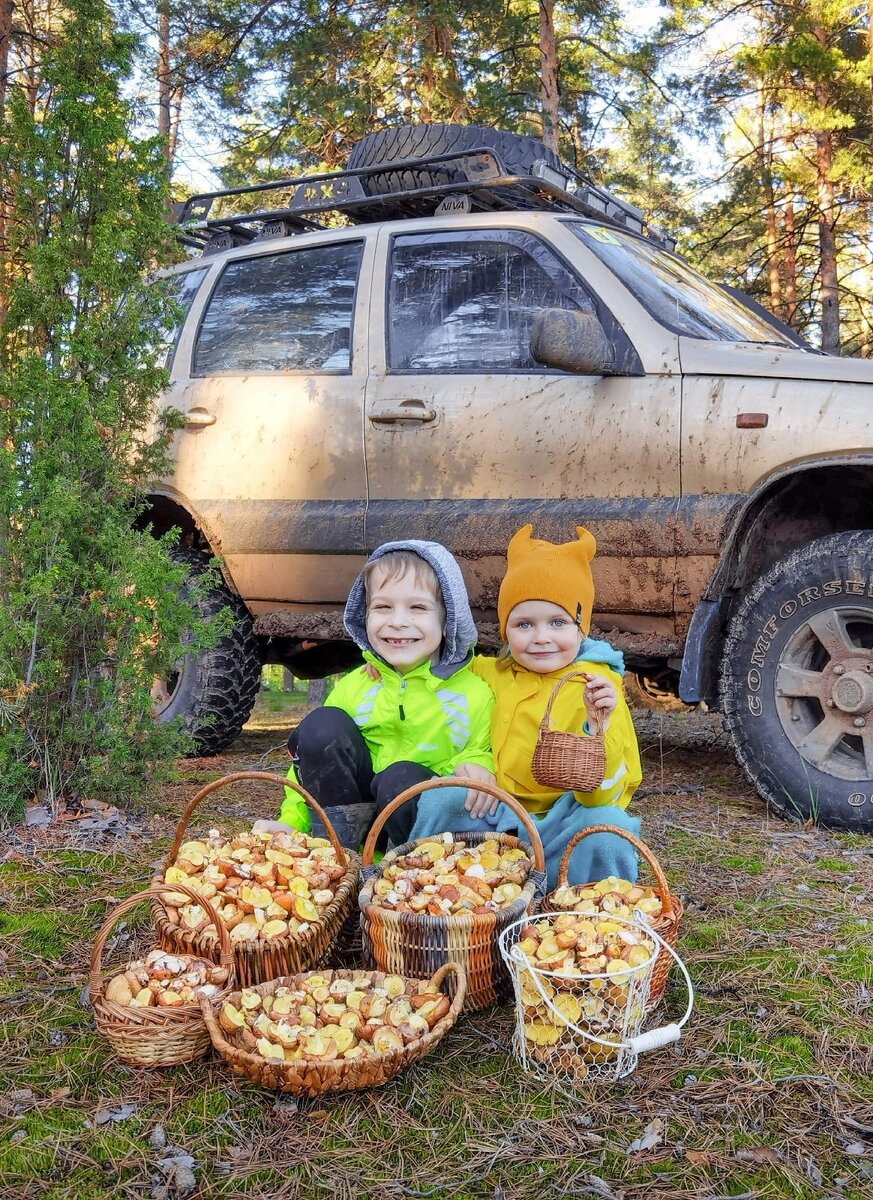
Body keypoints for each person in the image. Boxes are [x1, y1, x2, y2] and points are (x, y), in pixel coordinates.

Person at [408, 524, 642, 889]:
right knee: (443, 798)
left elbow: (603, 796)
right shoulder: (487, 673)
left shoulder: (597, 688)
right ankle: (436, 891)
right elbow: (429, 671)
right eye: (524, 624)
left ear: (581, 628)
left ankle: (586, 908)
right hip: (495, 816)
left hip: (563, 822)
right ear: (505, 630)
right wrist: (386, 665)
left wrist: (600, 728)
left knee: (608, 828)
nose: (541, 637)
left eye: (558, 622)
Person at [253, 540, 495, 849]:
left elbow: (480, 748)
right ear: (364, 615)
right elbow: (310, 762)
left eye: (418, 607)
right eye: (383, 607)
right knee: (320, 726)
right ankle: (336, 849)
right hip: (352, 815)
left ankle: (403, 865)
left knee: (399, 779)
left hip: (417, 827)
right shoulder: (355, 686)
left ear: (448, 619)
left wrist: (479, 764)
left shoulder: (472, 694)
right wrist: (292, 820)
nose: (397, 622)